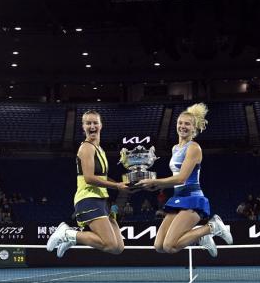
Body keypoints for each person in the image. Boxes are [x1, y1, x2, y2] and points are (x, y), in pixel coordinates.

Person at [137, 103, 232, 257]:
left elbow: (181, 178)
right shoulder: (175, 148)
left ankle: (211, 227)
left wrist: (156, 182)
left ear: (194, 128)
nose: (182, 126)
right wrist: (155, 186)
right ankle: (201, 235)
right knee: (159, 246)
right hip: (178, 198)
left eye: (187, 124)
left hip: (192, 199)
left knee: (170, 246)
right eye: (180, 123)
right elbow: (175, 178)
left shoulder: (194, 148)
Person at [47, 110, 128, 257]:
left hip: (102, 199)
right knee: (109, 244)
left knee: (117, 248)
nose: (92, 126)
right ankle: (67, 233)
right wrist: (117, 186)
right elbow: (89, 178)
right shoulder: (86, 147)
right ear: (83, 127)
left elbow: (102, 177)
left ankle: (73, 238)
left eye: (95, 122)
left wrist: (123, 185)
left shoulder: (100, 149)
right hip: (88, 198)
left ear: (101, 125)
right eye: (88, 123)